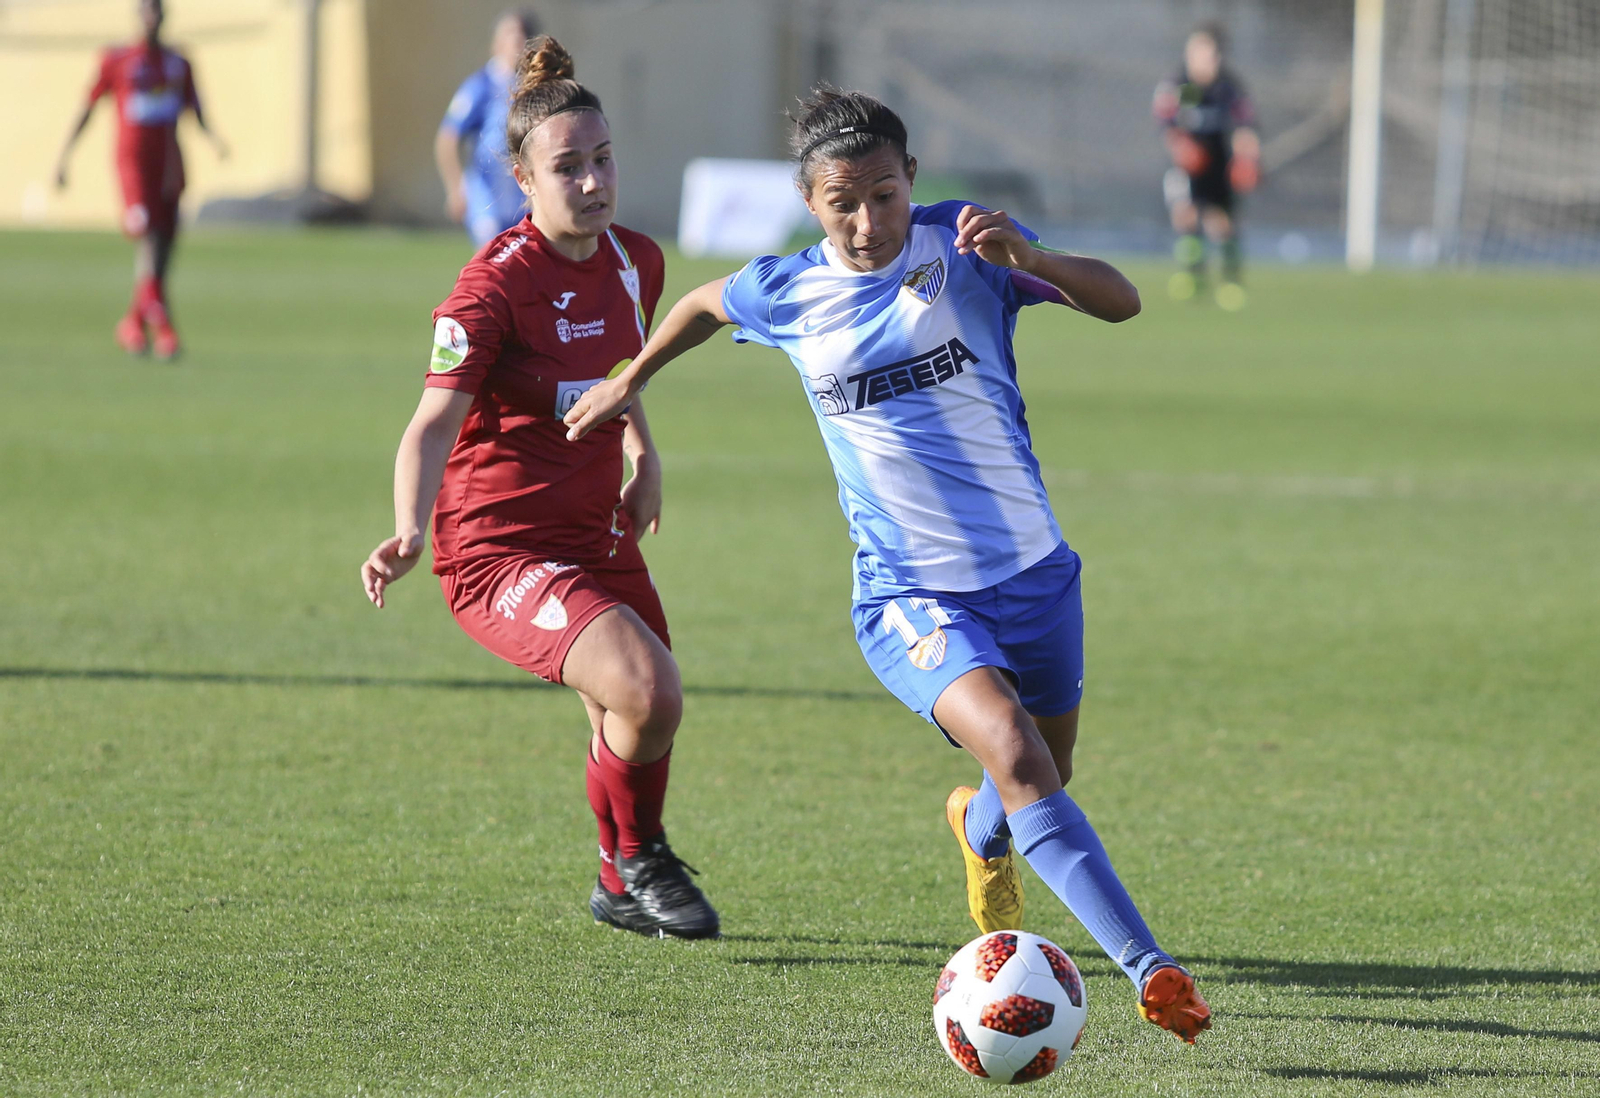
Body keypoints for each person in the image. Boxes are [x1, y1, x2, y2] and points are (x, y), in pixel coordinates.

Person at [564, 88, 1212, 1042]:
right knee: (1023, 754)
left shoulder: (966, 244)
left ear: (912, 180)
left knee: (1041, 773)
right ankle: (1151, 968)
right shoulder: (786, 291)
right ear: (810, 201)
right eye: (841, 203)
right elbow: (704, 303)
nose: (866, 223)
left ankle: (979, 827)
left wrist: (1030, 260)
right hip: (911, 592)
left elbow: (1123, 301)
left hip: (1036, 573)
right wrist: (631, 378)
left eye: (883, 196)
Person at [361, 36, 719, 940]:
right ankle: (641, 855)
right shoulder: (491, 290)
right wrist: (407, 528)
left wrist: (644, 453)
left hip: (595, 530)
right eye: (569, 168)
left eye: (603, 160)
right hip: (499, 550)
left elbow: (614, 374)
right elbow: (431, 423)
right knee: (650, 689)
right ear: (521, 179)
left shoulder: (636, 260)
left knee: (633, 710)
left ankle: (614, 880)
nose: (594, 182)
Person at [55, 0, 227, 359]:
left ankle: (133, 323)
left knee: (164, 246)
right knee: (146, 238)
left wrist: (215, 140)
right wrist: (64, 157)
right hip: (133, 167)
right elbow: (87, 107)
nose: (152, 18)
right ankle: (165, 329)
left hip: (169, 165)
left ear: (165, 16)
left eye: (157, 10)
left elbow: (196, 109)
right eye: (146, 10)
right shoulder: (117, 60)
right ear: (137, 15)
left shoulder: (178, 63)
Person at [1153, 22, 1259, 311]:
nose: (1201, 59)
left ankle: (1230, 280)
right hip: (1186, 161)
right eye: (1196, 51)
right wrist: (1181, 147)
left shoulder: (1229, 88)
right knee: (1184, 212)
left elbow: (1245, 127)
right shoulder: (1180, 84)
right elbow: (1166, 121)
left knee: (1221, 221)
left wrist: (1246, 158)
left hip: (1219, 161)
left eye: (1208, 53)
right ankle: (1191, 274)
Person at [436, 9, 542, 246]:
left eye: (522, 36)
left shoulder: (532, 88)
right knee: (494, 262)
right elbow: (448, 138)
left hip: (521, 196)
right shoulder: (480, 86)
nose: (516, 41)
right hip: (486, 197)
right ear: (497, 42)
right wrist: (456, 188)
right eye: (510, 35)